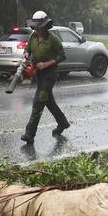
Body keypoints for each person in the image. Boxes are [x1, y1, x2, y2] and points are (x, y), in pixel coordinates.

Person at [20, 11, 70, 144]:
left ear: (45, 26)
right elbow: (27, 50)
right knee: (49, 102)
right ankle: (63, 123)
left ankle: (29, 134)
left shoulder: (53, 39)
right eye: (36, 27)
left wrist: (47, 63)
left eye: (40, 27)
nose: (38, 30)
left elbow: (62, 56)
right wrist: (25, 54)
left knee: (39, 101)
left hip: (50, 74)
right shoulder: (33, 37)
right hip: (39, 73)